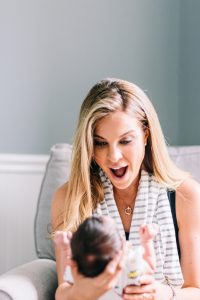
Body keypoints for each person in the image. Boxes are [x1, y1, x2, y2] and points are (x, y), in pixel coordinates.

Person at [51, 78, 200, 300]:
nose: (114, 157)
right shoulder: (69, 198)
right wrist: (84, 291)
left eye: (126, 141)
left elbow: (196, 291)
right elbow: (63, 292)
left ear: (146, 135)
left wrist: (162, 293)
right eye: (101, 143)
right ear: (89, 146)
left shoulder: (186, 195)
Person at [61, 215, 157, 299]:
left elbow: (65, 274)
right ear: (122, 247)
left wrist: (65, 249)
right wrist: (147, 241)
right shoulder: (130, 264)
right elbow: (150, 267)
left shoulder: (79, 274)